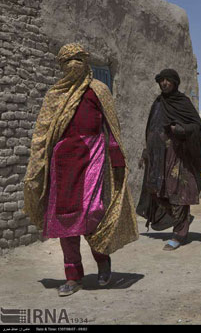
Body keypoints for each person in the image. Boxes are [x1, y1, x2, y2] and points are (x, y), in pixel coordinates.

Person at [23, 43, 139, 297]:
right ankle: (73, 275)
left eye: (77, 59)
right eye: (67, 61)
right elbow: (43, 134)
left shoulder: (98, 90)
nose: (72, 65)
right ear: (61, 66)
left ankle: (102, 260)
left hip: (93, 155)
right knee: (66, 217)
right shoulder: (56, 95)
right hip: (63, 162)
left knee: (92, 211)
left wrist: (116, 154)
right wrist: (37, 166)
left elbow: (111, 125)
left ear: (85, 62)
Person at [136, 69, 201, 251]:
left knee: (177, 194)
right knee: (157, 193)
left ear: (175, 83)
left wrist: (182, 130)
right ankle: (182, 220)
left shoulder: (182, 102)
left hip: (177, 156)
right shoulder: (157, 103)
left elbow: (196, 126)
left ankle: (179, 233)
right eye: (162, 81)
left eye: (168, 80)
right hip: (157, 157)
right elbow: (151, 128)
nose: (164, 83)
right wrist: (146, 151)